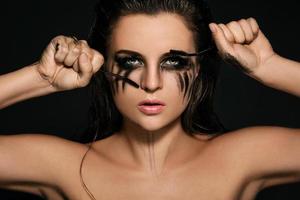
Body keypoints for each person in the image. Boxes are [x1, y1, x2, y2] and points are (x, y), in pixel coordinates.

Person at [0, 0, 299, 199]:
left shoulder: (242, 157)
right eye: (131, 61)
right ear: (104, 67)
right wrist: (40, 78)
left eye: (173, 62)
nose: (151, 83)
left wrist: (270, 67)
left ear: (196, 70)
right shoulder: (60, 164)